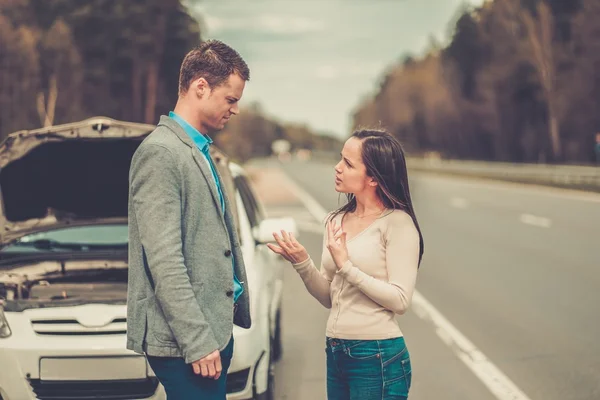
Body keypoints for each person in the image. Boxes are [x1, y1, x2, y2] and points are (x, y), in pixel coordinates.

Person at [126, 40, 252, 399]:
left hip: (210, 332)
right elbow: (164, 259)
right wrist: (197, 341)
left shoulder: (195, 148)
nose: (236, 110)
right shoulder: (160, 154)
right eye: (231, 99)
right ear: (201, 87)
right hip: (187, 343)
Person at [267, 129, 424, 400]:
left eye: (349, 164)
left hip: (377, 355)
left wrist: (347, 266)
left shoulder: (397, 224)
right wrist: (302, 262)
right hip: (337, 350)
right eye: (341, 159)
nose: (337, 168)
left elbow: (400, 301)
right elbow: (330, 297)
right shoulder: (335, 220)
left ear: (373, 177)